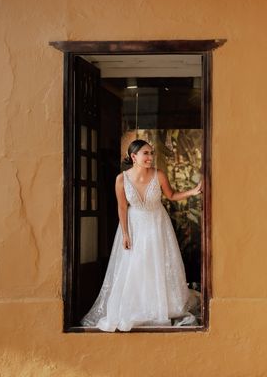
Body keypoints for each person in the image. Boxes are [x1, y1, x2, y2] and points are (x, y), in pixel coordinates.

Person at [81, 139, 202, 332]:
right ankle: (136, 306)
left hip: (157, 223)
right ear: (133, 156)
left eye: (151, 153)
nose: (150, 157)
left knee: (157, 263)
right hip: (134, 224)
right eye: (146, 153)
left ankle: (161, 306)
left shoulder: (159, 175)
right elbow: (122, 207)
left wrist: (192, 191)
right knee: (135, 265)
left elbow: (171, 195)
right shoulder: (121, 179)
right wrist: (125, 234)